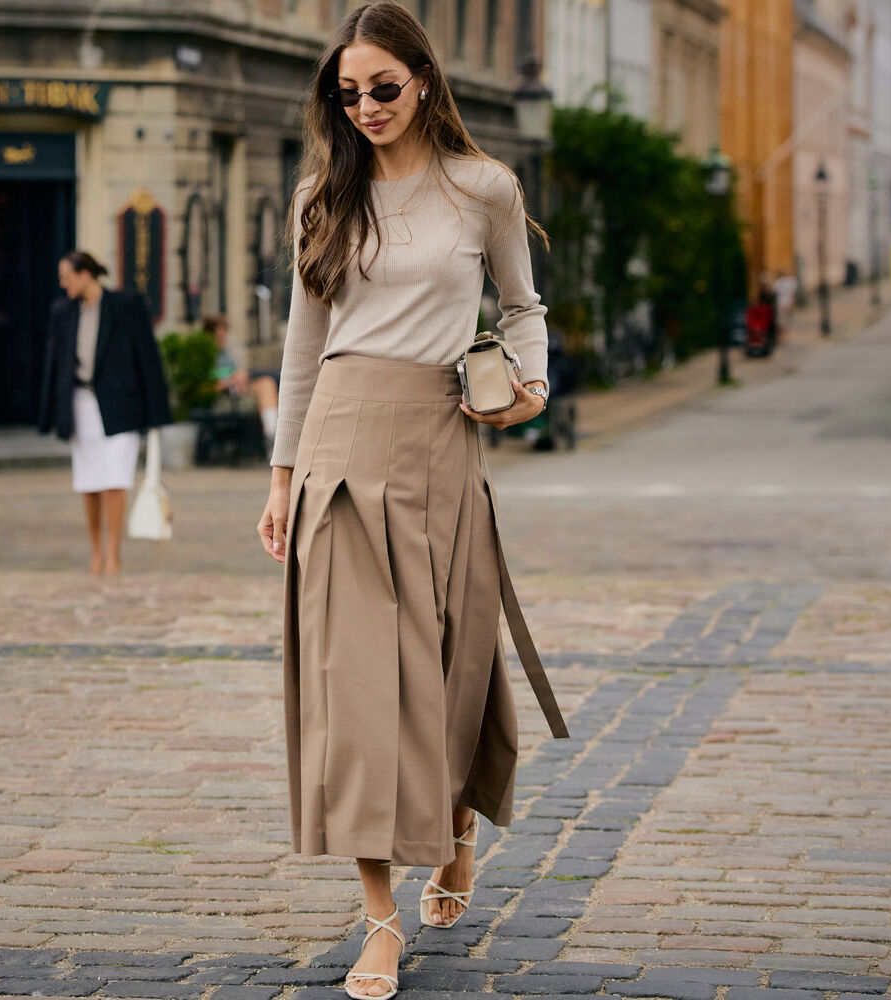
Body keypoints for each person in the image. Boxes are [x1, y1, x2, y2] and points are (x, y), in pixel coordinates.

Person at [256, 4, 567, 998]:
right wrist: (281, 473)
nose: (366, 107)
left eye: (382, 88)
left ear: (423, 82)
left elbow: (522, 306)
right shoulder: (321, 193)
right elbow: (302, 347)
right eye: (348, 94)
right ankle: (378, 918)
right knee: (353, 684)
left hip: (440, 434)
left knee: (441, 662)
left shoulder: (484, 188)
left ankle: (456, 826)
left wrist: (531, 382)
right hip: (339, 442)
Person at [38, 251, 172, 575]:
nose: (62, 283)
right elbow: (54, 364)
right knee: (89, 481)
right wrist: (49, 413)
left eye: (66, 276)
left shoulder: (126, 305)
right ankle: (95, 551)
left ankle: (114, 553)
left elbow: (147, 356)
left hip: (120, 403)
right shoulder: (63, 311)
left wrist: (157, 412)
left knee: (116, 478)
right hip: (80, 404)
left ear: (85, 274)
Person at [203, 314, 279, 456]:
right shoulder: (207, 355)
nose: (223, 336)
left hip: (239, 387)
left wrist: (239, 378)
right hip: (225, 394)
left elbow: (238, 371)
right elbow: (209, 384)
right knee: (267, 384)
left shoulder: (227, 351)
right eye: (219, 332)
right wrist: (231, 381)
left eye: (224, 331)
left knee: (269, 383)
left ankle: (272, 434)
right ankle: (273, 435)